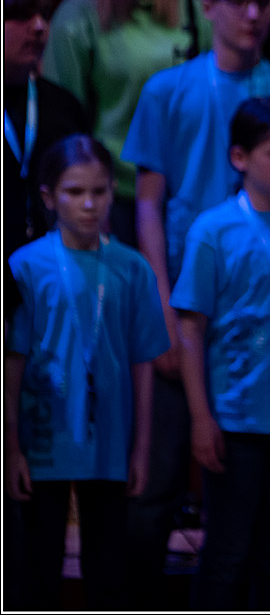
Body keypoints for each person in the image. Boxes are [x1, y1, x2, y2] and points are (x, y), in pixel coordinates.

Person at [119, 0, 270, 605]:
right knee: (159, 483)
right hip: (188, 309)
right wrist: (159, 299)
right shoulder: (168, 91)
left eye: (263, 0)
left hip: (262, 323)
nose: (252, 12)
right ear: (207, 6)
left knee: (262, 518)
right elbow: (150, 203)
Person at [170, 98, 270, 609]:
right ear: (239, 157)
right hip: (236, 420)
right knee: (226, 555)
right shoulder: (212, 230)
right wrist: (200, 417)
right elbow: (191, 328)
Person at [4, 135, 168, 610]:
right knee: (38, 567)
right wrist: (11, 446)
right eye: (75, 192)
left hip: (111, 440)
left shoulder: (132, 268)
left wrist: (141, 449)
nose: (90, 203)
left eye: (99, 190)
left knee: (107, 568)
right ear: (49, 196)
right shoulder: (25, 265)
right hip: (44, 436)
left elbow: (143, 362)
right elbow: (11, 361)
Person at [41, 0, 212, 246]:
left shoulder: (196, 7)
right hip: (116, 198)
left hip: (190, 192)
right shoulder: (76, 19)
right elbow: (63, 125)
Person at [4, 0, 89, 257]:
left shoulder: (64, 106)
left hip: (53, 273)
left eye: (44, 14)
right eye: (21, 15)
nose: (39, 27)